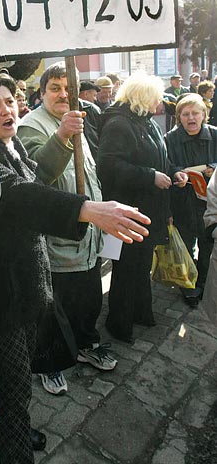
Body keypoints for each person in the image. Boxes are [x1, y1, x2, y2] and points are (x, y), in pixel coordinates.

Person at [0, 74, 151, 464]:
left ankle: (5, 428)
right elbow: (18, 194)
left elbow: (37, 173)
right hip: (4, 295)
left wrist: (63, 139)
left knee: (16, 382)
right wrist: (86, 209)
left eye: (9, 101)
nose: (6, 110)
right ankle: (13, 446)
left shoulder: (10, 145)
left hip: (27, 284)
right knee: (16, 387)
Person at [18, 63, 117, 398]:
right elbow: (36, 177)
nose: (63, 94)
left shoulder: (79, 118)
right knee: (55, 307)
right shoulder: (31, 125)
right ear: (42, 92)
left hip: (88, 236)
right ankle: (51, 363)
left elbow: (87, 174)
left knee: (87, 298)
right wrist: (60, 136)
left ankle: (86, 344)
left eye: (68, 88)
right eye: (55, 88)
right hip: (58, 238)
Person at [97, 72, 188, 344]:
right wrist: (150, 176)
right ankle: (119, 323)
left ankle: (138, 313)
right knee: (126, 269)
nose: (160, 102)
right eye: (156, 96)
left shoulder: (146, 122)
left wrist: (176, 173)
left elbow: (161, 161)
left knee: (140, 267)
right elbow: (109, 167)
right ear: (143, 97)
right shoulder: (119, 124)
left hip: (147, 209)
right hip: (128, 211)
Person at [164, 93, 217, 306]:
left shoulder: (214, 134)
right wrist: (177, 172)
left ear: (204, 114)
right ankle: (188, 286)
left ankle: (204, 282)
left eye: (195, 113)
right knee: (185, 243)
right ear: (179, 117)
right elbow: (165, 164)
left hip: (210, 203)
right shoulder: (170, 138)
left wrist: (214, 166)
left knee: (208, 244)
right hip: (182, 201)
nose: (191, 118)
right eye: (185, 114)